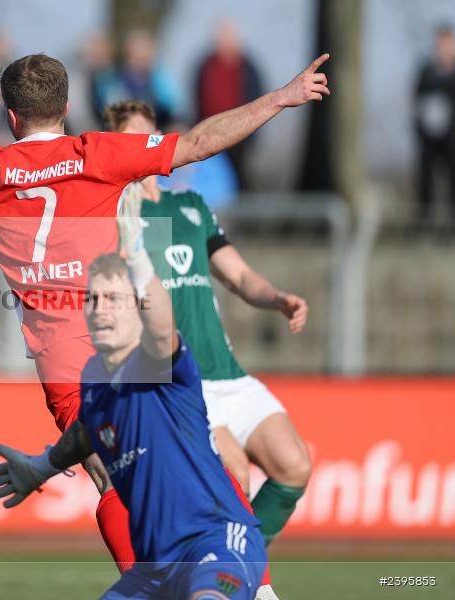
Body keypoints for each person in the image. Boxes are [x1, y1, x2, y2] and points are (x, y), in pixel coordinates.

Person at [0, 51, 330, 571]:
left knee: (111, 477)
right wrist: (280, 98)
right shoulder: (97, 153)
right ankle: (246, 580)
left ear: (10, 114)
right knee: (199, 455)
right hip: (126, 335)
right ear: (66, 108)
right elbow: (198, 142)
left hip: (63, 355)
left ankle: (150, 583)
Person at [0, 195, 267, 599]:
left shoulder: (161, 363)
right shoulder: (95, 383)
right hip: (157, 567)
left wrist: (136, 259)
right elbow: (85, 433)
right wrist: (42, 466)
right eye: (93, 300)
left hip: (217, 543)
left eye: (114, 300)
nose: (100, 311)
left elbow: (163, 326)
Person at [105, 100, 311, 549]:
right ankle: (242, 579)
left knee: (294, 465)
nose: (142, 145)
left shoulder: (191, 205)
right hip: (184, 383)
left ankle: (233, 564)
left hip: (230, 375)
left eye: (148, 135)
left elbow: (237, 275)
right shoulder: (120, 220)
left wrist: (277, 299)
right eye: (129, 139)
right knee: (234, 474)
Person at [195, 21, 263, 188]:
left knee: (240, 175)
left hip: (241, 132)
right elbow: (198, 94)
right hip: (212, 130)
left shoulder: (248, 68)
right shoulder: (206, 66)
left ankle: (241, 210)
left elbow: (256, 97)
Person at [414, 24, 455, 229]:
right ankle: (425, 223)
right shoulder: (426, 70)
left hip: (451, 136)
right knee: (426, 178)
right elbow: (416, 97)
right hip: (429, 134)